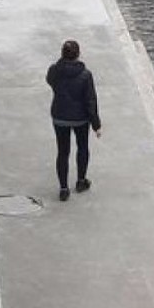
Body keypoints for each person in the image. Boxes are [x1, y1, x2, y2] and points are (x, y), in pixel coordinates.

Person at [46, 39, 101, 202]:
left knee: (63, 151)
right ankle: (81, 181)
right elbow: (90, 101)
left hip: (60, 116)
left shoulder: (54, 70)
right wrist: (96, 125)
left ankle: (63, 189)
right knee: (82, 148)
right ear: (78, 54)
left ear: (62, 54)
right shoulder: (85, 75)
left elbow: (49, 81)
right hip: (80, 119)